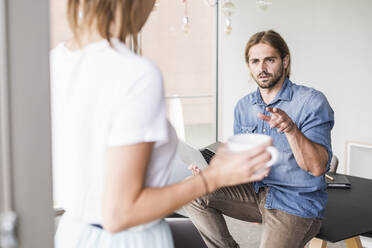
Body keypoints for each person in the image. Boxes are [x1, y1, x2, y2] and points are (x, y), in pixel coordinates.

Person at [51, 1, 273, 247]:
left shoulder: (55, 61)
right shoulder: (135, 75)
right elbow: (120, 213)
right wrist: (213, 177)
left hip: (72, 233)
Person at [185, 30, 334, 248]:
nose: (261, 68)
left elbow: (317, 167)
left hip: (295, 202)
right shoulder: (243, 106)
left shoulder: (311, 102)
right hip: (255, 194)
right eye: (255, 61)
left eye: (269, 60)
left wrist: (291, 130)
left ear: (285, 61)